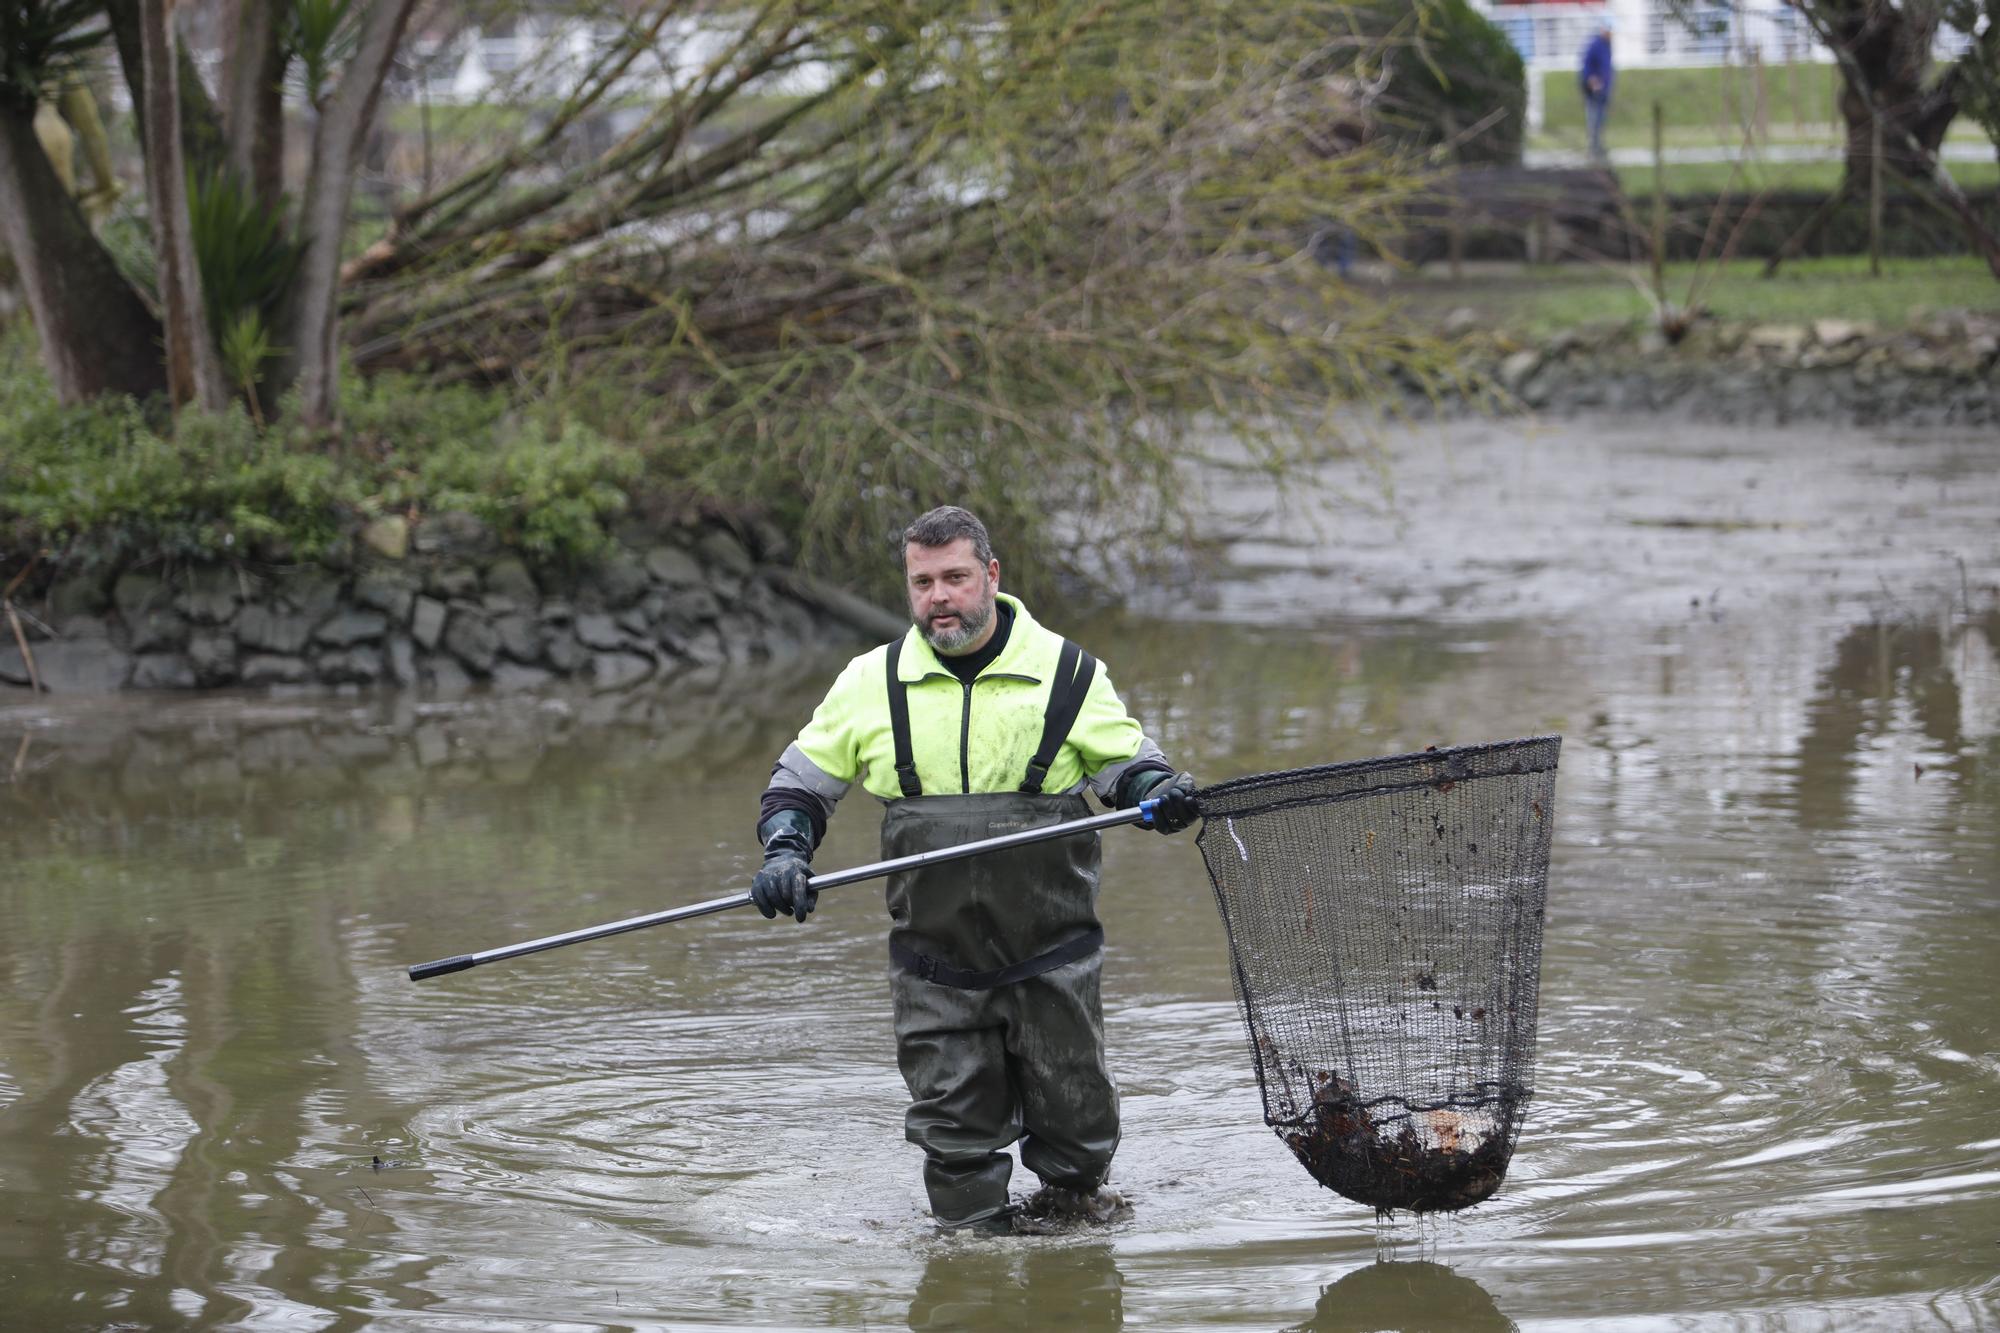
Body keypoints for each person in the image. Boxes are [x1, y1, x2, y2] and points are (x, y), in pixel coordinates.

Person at [749, 505, 1199, 1234]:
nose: (939, 597)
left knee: (1078, 1123)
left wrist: (1161, 795)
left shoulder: (1068, 672)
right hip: (935, 964)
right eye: (922, 582)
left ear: (990, 575)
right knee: (952, 1134)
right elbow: (797, 786)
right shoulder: (872, 681)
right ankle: (973, 1257)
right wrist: (784, 850)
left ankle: (1074, 1229)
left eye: (955, 577)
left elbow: (1133, 771)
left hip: (1054, 956)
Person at [1579, 20, 1615, 162]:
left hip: (1604, 90)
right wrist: (1592, 80)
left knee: (1601, 119)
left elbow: (1607, 67)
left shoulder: (1608, 46)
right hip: (1593, 90)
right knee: (1593, 119)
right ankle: (1593, 148)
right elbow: (1587, 66)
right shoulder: (1595, 45)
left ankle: (1599, 146)